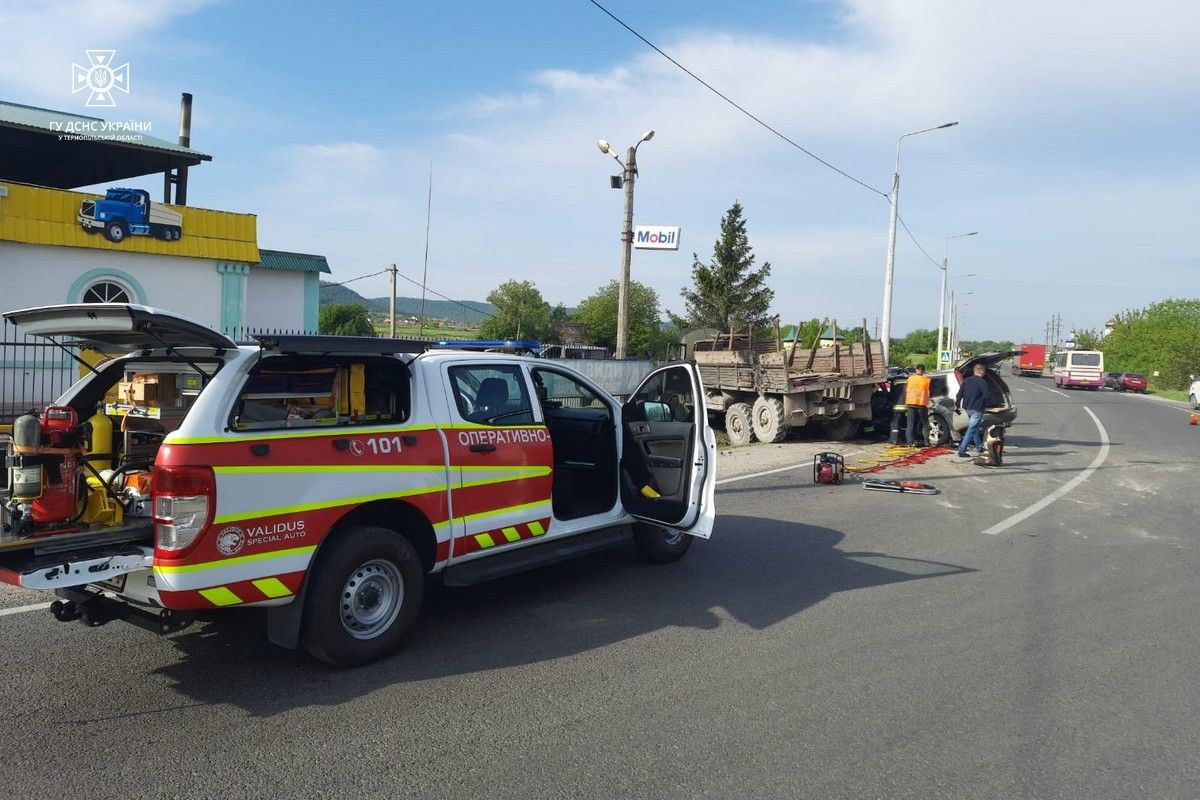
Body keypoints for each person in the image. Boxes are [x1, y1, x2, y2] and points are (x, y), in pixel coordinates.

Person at [956, 363, 990, 457]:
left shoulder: (966, 380)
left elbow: (959, 394)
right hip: (977, 409)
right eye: (984, 371)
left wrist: (957, 404)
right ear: (981, 371)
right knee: (971, 429)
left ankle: (979, 448)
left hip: (967, 408)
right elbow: (986, 396)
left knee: (974, 428)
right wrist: (987, 405)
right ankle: (962, 450)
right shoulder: (982, 382)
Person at [904, 364, 931, 446]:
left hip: (911, 403)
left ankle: (910, 442)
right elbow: (930, 391)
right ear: (923, 371)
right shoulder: (927, 380)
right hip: (922, 404)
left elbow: (906, 389)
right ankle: (926, 441)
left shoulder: (910, 379)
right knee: (925, 423)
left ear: (916, 370)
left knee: (910, 423)